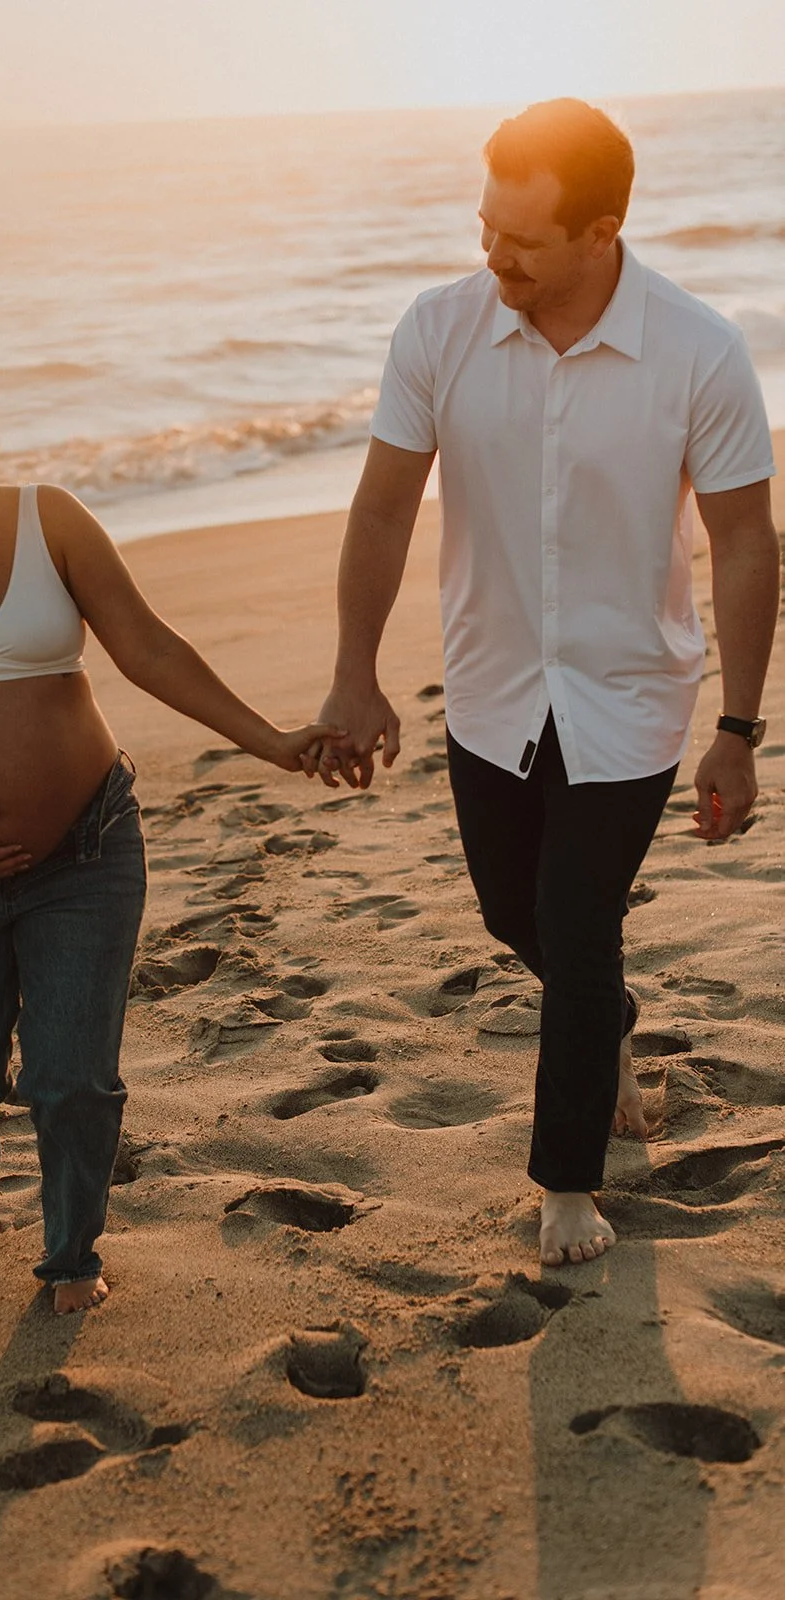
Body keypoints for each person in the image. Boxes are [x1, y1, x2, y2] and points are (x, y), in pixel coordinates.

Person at [313, 99, 778, 1268]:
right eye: (483, 223)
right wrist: (353, 673)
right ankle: (606, 1018)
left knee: (576, 922)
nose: (490, 252)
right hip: (489, 684)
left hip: (629, 695)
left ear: (600, 232)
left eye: (519, 236)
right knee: (509, 913)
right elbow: (378, 507)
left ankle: (568, 1181)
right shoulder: (438, 330)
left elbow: (743, 542)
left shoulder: (696, 350)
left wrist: (736, 727)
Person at [0, 339, 337, 1313]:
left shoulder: (49, 519)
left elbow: (147, 649)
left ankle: (72, 1256)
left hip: (85, 849)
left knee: (72, 1074)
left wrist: (267, 740)